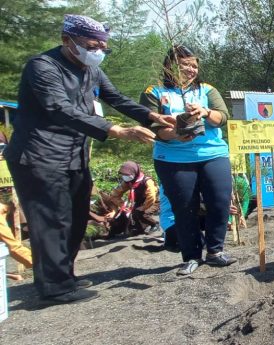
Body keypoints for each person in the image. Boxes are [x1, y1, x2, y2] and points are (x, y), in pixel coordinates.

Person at [4, 15, 173, 304]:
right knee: (51, 220)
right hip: (39, 155)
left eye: (103, 48)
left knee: (75, 217)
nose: (98, 52)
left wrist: (151, 116)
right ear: (67, 40)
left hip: (73, 155)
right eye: (91, 45)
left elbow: (115, 97)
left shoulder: (90, 69)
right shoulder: (43, 67)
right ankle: (55, 287)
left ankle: (62, 276)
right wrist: (114, 130)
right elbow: (58, 108)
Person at [140, 44, 236, 276]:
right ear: (170, 66)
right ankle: (191, 256)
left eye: (194, 65)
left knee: (219, 202)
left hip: (212, 154)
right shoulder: (154, 92)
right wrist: (177, 133)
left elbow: (223, 116)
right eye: (185, 65)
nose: (191, 70)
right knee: (185, 208)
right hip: (173, 158)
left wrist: (204, 112)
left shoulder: (206, 90)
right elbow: (153, 127)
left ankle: (215, 251)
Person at [106, 161, 159, 236]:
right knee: (129, 214)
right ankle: (139, 228)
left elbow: (151, 196)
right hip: (138, 201)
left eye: (127, 174)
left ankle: (154, 224)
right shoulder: (128, 182)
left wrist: (143, 207)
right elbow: (115, 194)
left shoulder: (147, 181)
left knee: (140, 213)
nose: (125, 176)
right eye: (123, 174)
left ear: (135, 172)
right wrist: (123, 206)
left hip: (152, 202)